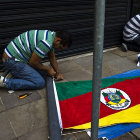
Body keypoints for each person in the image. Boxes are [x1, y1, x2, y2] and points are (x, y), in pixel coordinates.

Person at [0, 30, 72, 90]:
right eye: (60, 47)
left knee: (44, 73)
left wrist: (58, 72)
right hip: (12, 60)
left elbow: (52, 57)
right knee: (39, 82)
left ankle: (14, 73)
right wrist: (48, 69)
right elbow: (33, 63)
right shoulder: (46, 42)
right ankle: (5, 82)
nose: (59, 49)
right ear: (58, 40)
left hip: (14, 57)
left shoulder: (51, 35)